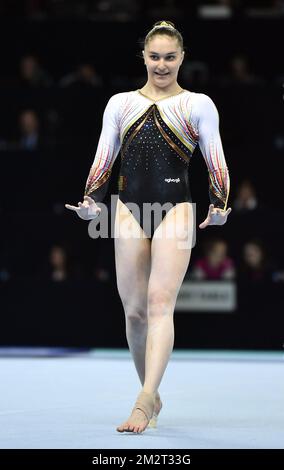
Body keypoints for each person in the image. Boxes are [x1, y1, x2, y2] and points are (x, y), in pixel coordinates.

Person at [65, 20, 231, 434]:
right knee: (135, 311)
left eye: (169, 57)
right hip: (129, 210)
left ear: (182, 58)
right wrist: (91, 202)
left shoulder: (197, 104)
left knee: (159, 303)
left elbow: (216, 160)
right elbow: (104, 159)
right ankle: (152, 393)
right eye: (154, 57)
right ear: (143, 56)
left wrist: (221, 203)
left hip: (175, 208)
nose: (161, 65)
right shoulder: (120, 104)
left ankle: (142, 402)